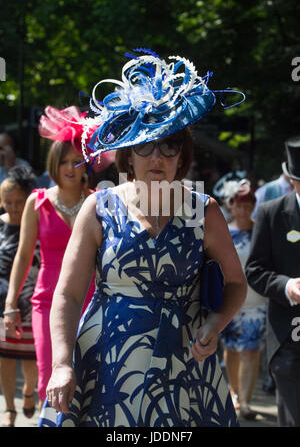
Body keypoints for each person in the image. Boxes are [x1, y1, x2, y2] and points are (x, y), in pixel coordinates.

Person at [38, 50, 247, 427]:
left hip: (186, 364)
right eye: (145, 145)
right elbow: (68, 295)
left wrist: (215, 324)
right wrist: (61, 364)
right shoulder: (99, 207)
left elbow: (236, 283)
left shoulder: (206, 210)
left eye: (169, 145)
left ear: (181, 155)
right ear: (127, 155)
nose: (157, 156)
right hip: (106, 363)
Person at [3, 106, 104, 409]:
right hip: (46, 300)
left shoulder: (99, 200)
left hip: (92, 299)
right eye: (63, 163)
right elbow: (22, 256)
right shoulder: (38, 201)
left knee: (90, 379)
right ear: (53, 165)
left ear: (87, 163)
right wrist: (10, 304)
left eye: (76, 162)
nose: (70, 169)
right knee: (51, 377)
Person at [245, 136, 300, 427]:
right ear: (292, 180)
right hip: (289, 342)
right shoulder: (272, 213)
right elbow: (254, 269)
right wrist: (287, 286)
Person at [220, 179, 267, 420]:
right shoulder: (224, 232)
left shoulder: (262, 231)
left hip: (257, 301)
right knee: (232, 350)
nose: (244, 210)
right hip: (230, 300)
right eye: (239, 205)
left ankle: (246, 402)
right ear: (231, 206)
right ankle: (234, 392)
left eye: (248, 206)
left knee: (251, 351)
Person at [0, 165, 40, 427]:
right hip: (4, 302)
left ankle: (28, 391)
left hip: (33, 299)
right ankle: (9, 409)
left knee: (30, 358)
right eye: (8, 202)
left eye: (19, 201)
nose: (14, 207)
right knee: (5, 355)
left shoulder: (37, 219)